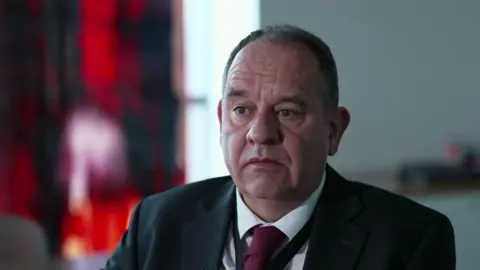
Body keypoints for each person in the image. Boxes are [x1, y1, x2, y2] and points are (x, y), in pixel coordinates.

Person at [104, 24, 456, 270]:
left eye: (287, 112)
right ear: (221, 121)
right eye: (241, 111)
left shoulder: (409, 240)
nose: (260, 133)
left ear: (333, 130)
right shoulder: (158, 223)